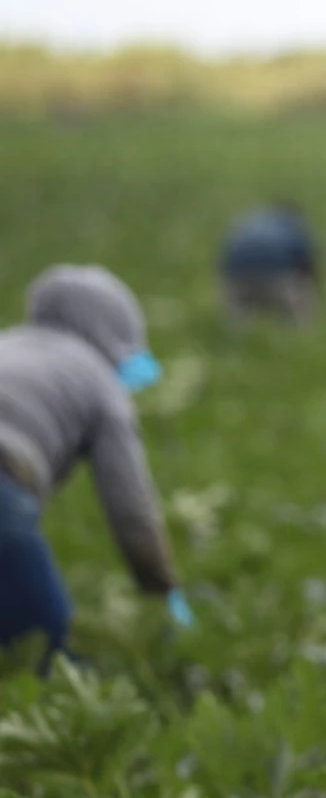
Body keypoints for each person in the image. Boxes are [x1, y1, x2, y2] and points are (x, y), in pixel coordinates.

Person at [0, 265, 193, 671]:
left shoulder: (10, 342)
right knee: (51, 663)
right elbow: (131, 510)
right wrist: (160, 590)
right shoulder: (97, 378)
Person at [218, 201, 321, 326]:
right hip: (277, 280)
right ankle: (301, 337)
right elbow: (307, 263)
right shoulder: (292, 226)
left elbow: (224, 256)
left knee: (239, 321)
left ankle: (237, 335)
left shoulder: (247, 222)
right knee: (302, 308)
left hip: (238, 281)